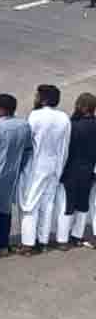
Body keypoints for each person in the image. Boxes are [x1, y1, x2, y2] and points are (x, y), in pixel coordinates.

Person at [0, 94, 32, 256]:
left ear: (0, 109)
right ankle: (3, 244)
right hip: (11, 176)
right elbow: (28, 150)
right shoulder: (24, 126)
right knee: (5, 209)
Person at [20, 84, 69, 253]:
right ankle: (43, 240)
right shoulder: (64, 118)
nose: (35, 98)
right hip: (54, 165)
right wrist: (60, 167)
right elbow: (65, 146)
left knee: (30, 204)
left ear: (44, 99)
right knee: (47, 204)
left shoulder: (35, 116)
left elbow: (29, 142)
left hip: (36, 166)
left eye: (37, 95)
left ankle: (27, 243)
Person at [59, 93, 96, 248]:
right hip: (89, 170)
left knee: (67, 204)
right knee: (83, 204)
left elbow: (65, 151)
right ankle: (77, 236)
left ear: (80, 106)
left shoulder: (72, 125)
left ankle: (63, 239)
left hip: (71, 169)